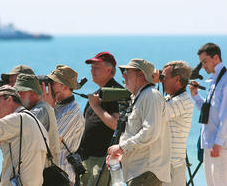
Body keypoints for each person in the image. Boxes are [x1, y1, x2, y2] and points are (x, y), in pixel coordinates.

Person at [107, 58, 170, 186]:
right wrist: (120, 156)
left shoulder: (151, 95)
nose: (123, 75)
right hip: (139, 172)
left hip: (145, 172)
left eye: (127, 72)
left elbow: (150, 132)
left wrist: (121, 148)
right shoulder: (140, 96)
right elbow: (135, 133)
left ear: (141, 75)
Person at [79, 51, 123, 186]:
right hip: (87, 158)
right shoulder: (99, 93)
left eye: (96, 67)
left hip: (102, 159)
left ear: (109, 69)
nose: (92, 71)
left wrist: (96, 107)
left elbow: (117, 124)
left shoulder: (115, 92)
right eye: (91, 68)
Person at [189, 43, 227, 186]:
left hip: (220, 146)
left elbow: (226, 115)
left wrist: (218, 142)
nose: (203, 66)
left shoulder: (225, 81)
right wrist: (195, 95)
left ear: (216, 58)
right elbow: (209, 112)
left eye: (205, 61)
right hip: (209, 144)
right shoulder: (214, 80)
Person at [41, 64, 85, 185]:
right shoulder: (57, 106)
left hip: (62, 176)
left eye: (52, 83)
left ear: (64, 86)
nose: (49, 86)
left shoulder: (72, 112)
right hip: (51, 174)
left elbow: (50, 140)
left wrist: (46, 107)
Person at [155, 61, 194, 186]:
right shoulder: (169, 99)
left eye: (164, 77)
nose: (161, 81)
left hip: (172, 167)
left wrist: (150, 85)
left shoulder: (183, 101)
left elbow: (156, 114)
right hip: (165, 166)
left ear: (177, 79)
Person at [14, 73, 61, 166]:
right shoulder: (35, 109)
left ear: (31, 94)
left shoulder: (40, 111)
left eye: (20, 92)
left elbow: (16, 132)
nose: (17, 96)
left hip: (44, 174)